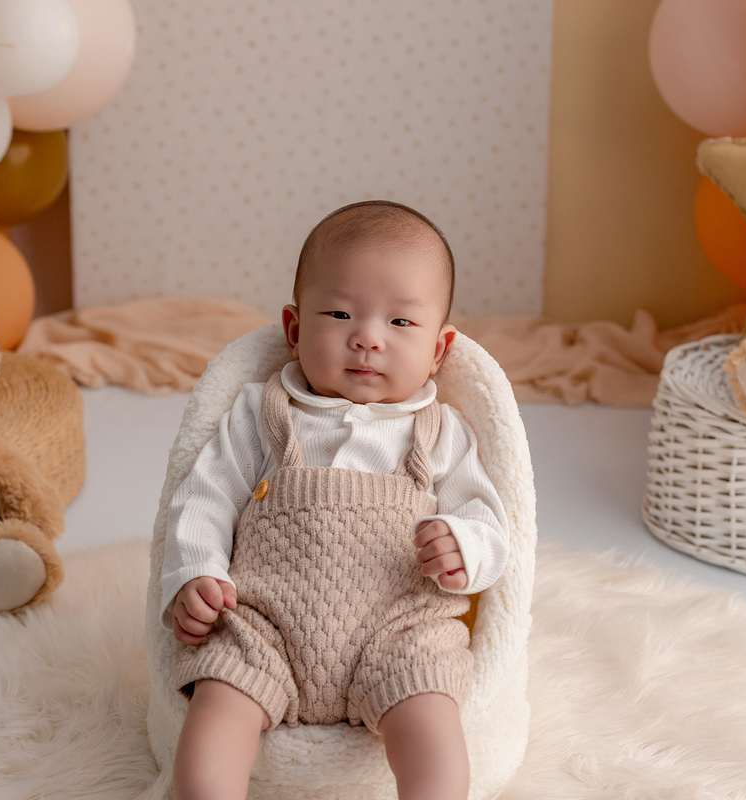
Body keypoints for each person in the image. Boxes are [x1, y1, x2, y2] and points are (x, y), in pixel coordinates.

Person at [161, 200, 510, 800]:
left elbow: (491, 524)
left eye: (401, 323)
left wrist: (463, 547)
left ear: (439, 349)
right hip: (264, 627)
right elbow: (204, 498)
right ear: (295, 331)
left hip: (399, 633)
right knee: (213, 723)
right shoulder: (262, 412)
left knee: (435, 745)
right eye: (341, 312)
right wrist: (194, 574)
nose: (368, 338)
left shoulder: (442, 433)